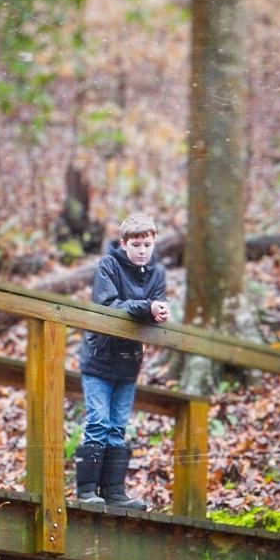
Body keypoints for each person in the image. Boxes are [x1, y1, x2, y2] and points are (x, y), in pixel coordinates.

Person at [77, 214, 169, 509]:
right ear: (124, 244)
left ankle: (114, 492)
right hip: (100, 358)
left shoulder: (156, 274)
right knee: (98, 421)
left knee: (118, 426)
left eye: (148, 244)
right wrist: (147, 307)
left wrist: (159, 315)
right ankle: (87, 491)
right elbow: (109, 307)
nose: (143, 250)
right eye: (137, 244)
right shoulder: (109, 265)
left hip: (129, 362)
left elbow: (155, 310)